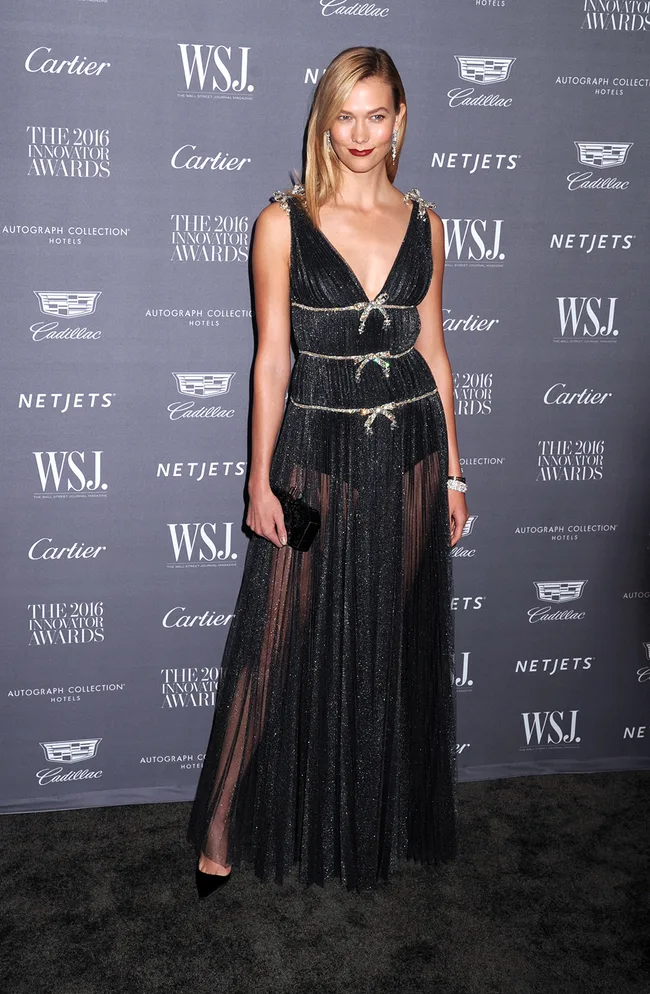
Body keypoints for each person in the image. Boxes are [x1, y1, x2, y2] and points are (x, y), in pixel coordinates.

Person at [187, 45, 468, 897]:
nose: (360, 132)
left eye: (376, 115)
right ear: (325, 121)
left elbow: (434, 351)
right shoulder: (283, 222)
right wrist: (258, 480)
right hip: (317, 455)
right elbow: (272, 359)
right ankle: (220, 830)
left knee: (387, 640)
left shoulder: (428, 223)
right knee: (272, 642)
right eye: (345, 115)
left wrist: (454, 475)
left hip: (412, 452)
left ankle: (365, 820)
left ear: (400, 120)